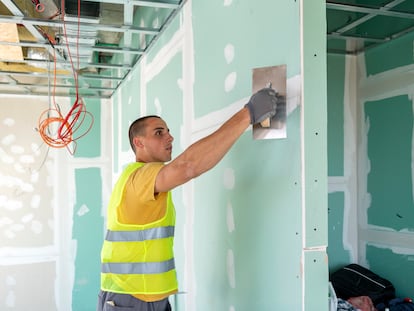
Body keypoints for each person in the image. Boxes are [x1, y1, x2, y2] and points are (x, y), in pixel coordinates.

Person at [96, 87, 279, 311]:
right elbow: (188, 166)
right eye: (159, 132)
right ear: (139, 143)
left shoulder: (139, 178)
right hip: (132, 299)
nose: (169, 137)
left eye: (168, 131)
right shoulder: (140, 178)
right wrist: (248, 114)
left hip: (141, 297)